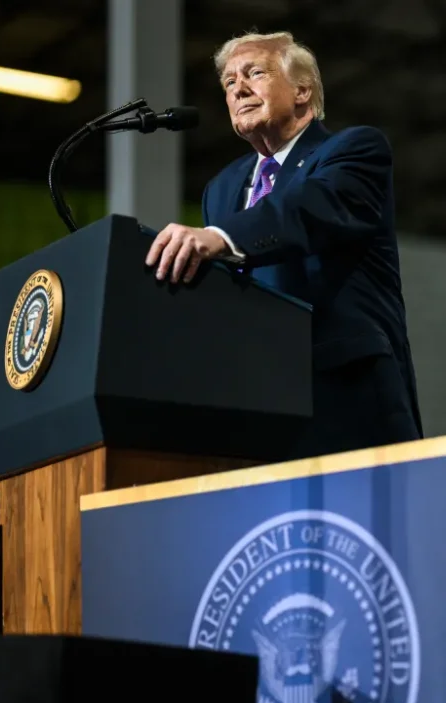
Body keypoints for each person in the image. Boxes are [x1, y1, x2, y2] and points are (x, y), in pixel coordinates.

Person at [145, 31, 423, 458]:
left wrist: (220, 237)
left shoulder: (353, 150)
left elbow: (306, 210)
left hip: (345, 397)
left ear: (302, 90)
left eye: (254, 73)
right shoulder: (221, 189)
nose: (238, 88)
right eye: (229, 82)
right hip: (254, 407)